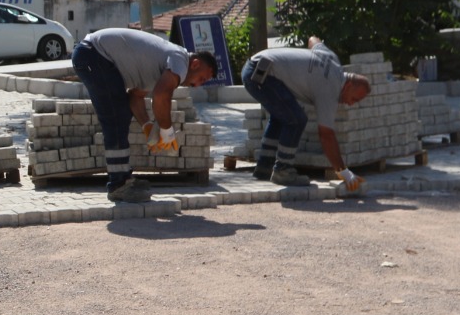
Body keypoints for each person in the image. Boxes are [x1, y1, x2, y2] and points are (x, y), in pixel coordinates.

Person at [70, 29, 217, 202]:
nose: (198, 85)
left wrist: (147, 126)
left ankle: (122, 178)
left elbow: (135, 97)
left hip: (93, 54)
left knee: (120, 113)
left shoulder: (162, 66)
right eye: (202, 79)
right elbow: (161, 96)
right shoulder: (180, 61)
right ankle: (118, 184)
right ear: (195, 64)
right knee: (115, 117)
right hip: (94, 55)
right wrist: (167, 132)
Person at [240, 37, 372, 190]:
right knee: (297, 120)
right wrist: (344, 172)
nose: (351, 103)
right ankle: (283, 171)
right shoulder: (330, 89)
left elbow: (313, 40)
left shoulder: (331, 59)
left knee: (282, 116)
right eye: (354, 99)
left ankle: (264, 168)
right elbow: (326, 134)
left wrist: (306, 68)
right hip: (262, 75)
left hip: (254, 66)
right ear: (348, 85)